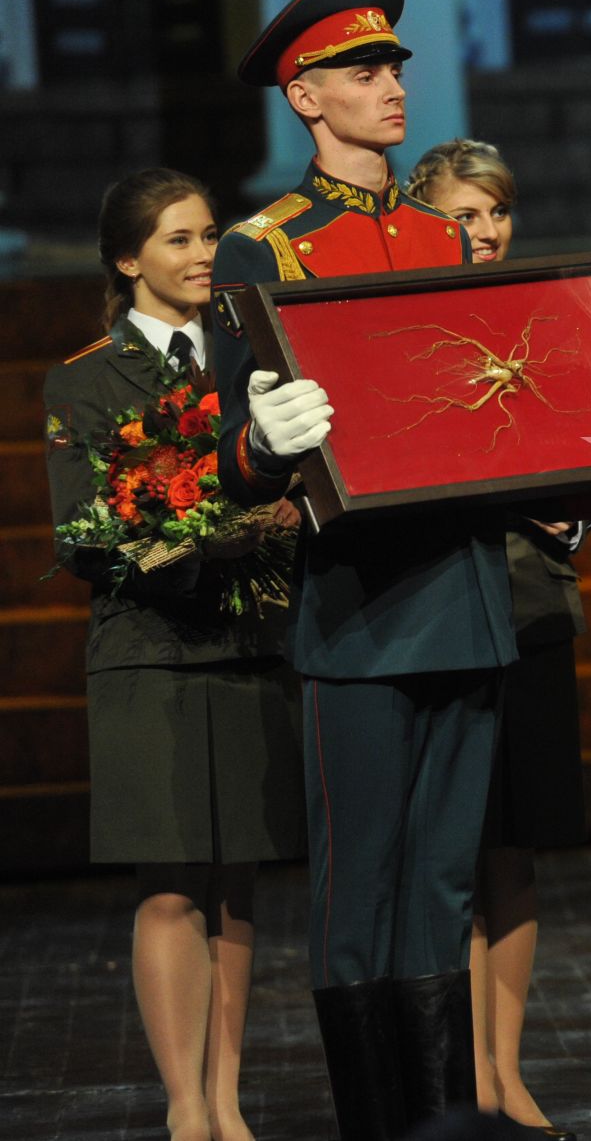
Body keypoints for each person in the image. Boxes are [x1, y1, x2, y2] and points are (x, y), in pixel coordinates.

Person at [207, 0, 513, 1140]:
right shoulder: (266, 249)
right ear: (305, 96)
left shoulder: (447, 232)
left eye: (392, 66)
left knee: (442, 883)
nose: (389, 86)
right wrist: (261, 441)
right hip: (360, 603)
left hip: (468, 587)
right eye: (360, 70)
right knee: (361, 889)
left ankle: (439, 1124)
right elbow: (241, 445)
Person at [44, 168, 304, 1141]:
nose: (203, 257)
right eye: (179, 241)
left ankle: (229, 1101)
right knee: (169, 879)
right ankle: (185, 1108)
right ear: (127, 259)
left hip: (245, 643)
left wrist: (283, 519)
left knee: (237, 879)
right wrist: (205, 539)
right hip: (147, 651)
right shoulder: (85, 375)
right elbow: (86, 530)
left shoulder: (248, 353)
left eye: (206, 237)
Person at [407, 140, 585, 1140]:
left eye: (498, 211)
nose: (486, 230)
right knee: (457, 856)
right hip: (435, 615)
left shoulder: (546, 318)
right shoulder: (404, 328)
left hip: (529, 609)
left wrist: (577, 504)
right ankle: (463, 1077)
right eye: (466, 214)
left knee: (514, 852)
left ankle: (505, 1074)